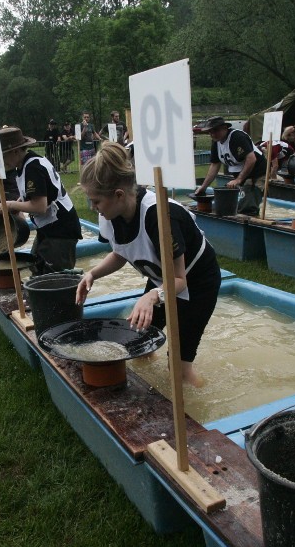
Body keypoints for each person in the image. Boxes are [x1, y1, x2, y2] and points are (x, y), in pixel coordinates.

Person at [75, 142, 221, 387]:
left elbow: (180, 280)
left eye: (96, 201)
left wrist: (152, 296)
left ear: (119, 195)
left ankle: (202, 409)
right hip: (163, 281)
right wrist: (93, 274)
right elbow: (121, 253)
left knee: (178, 368)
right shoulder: (111, 214)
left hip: (197, 283)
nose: (93, 208)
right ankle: (149, 389)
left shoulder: (160, 217)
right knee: (138, 344)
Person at [0, 127, 82, 275]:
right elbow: (35, 193)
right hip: (50, 228)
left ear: (15, 151)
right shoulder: (26, 164)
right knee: (36, 266)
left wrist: (11, 204)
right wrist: (20, 202)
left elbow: (40, 206)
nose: (1, 161)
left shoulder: (33, 167)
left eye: (3, 156)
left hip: (60, 230)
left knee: (53, 277)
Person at [194, 116, 268, 216]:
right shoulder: (216, 143)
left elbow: (251, 159)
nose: (212, 134)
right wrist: (203, 187)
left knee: (247, 206)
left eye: (215, 130)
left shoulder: (237, 137)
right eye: (210, 131)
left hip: (256, 173)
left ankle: (251, 224)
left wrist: (238, 179)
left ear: (225, 128)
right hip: (241, 176)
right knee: (234, 203)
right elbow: (214, 166)